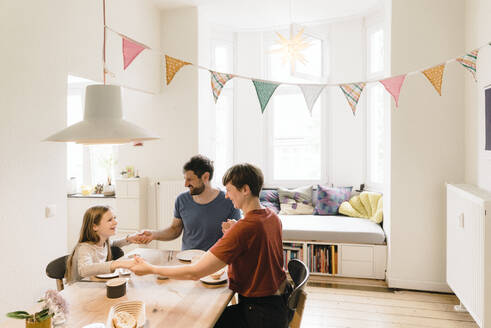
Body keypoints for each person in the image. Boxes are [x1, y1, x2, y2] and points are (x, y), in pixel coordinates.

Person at [129, 163, 292, 328]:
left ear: (245, 190)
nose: (227, 196)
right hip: (278, 305)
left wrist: (150, 269)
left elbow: (195, 272)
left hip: (259, 315)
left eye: (229, 190)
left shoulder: (244, 229)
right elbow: (257, 245)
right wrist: (235, 230)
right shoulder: (271, 217)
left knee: (195, 322)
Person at [137, 155, 241, 251]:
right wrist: (154, 234)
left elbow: (237, 235)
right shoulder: (182, 200)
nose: (185, 184)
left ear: (205, 177)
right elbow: (175, 230)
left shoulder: (229, 201)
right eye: (185, 179)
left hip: (215, 261)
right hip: (187, 260)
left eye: (190, 179)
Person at [65, 205, 139, 283]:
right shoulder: (84, 248)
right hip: (78, 290)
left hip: (95, 286)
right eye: (110, 220)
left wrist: (129, 239)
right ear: (95, 227)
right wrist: (116, 264)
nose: (115, 222)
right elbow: (84, 270)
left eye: (115, 218)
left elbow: (114, 243)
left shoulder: (104, 242)